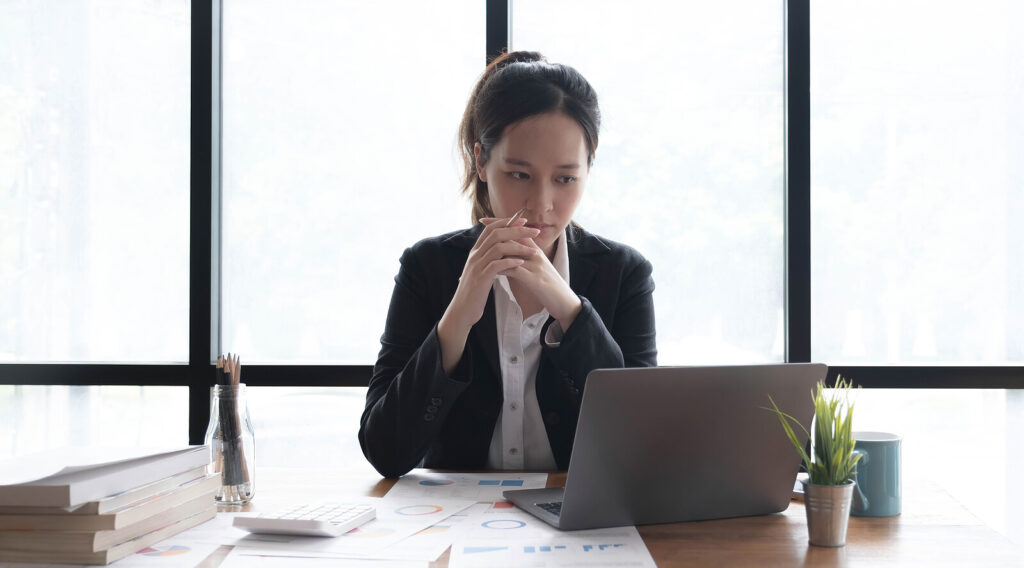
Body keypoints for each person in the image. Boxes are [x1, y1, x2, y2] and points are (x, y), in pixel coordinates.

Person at [358, 51, 657, 479]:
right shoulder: (428, 267)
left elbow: (642, 443)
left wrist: (568, 308)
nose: (541, 205)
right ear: (481, 161)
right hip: (454, 527)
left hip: (579, 527)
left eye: (566, 179)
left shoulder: (624, 273)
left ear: (589, 168)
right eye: (519, 175)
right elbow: (385, 451)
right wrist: (459, 313)